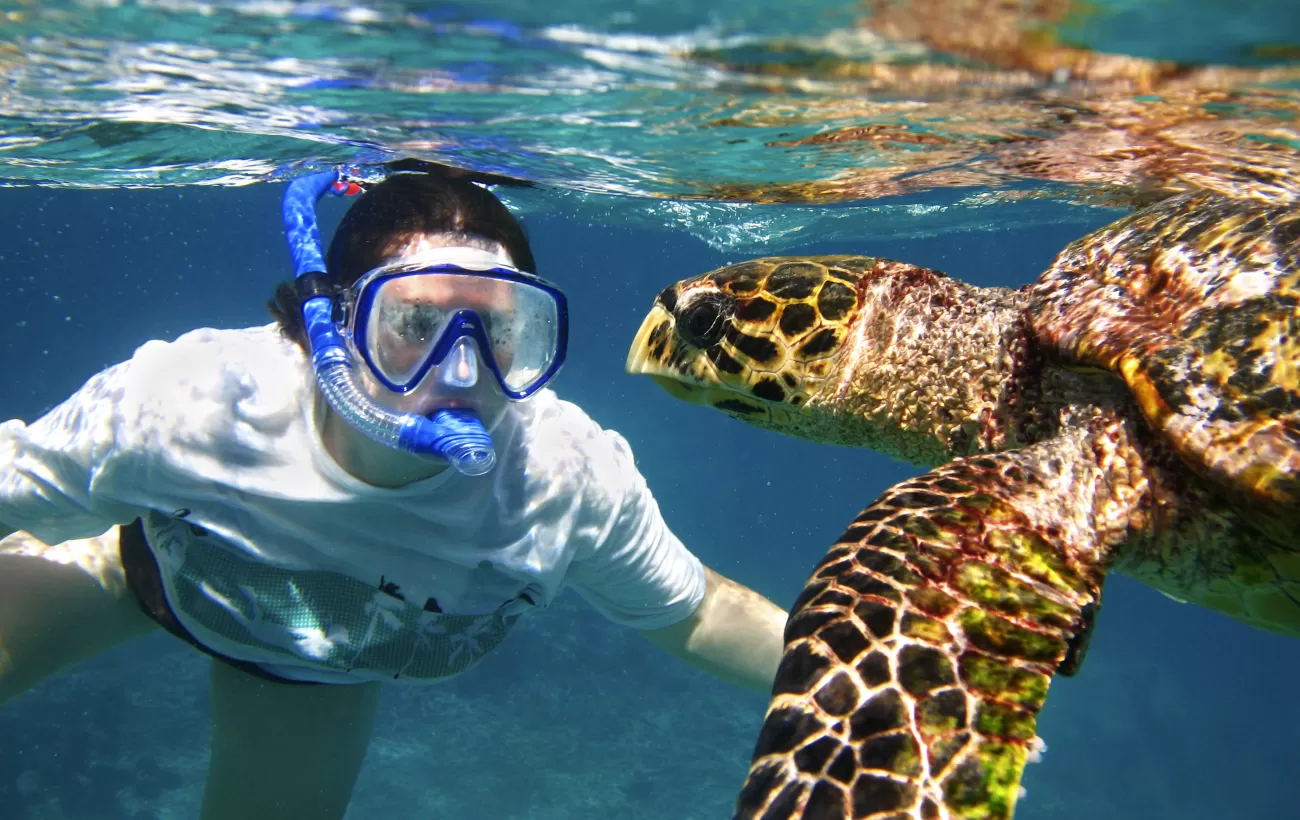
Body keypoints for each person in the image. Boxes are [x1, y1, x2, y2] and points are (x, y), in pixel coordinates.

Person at [0, 161, 787, 819]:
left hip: (312, 673)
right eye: (415, 323)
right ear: (331, 330)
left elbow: (699, 611)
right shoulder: (193, 403)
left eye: (503, 330)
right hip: (137, 576)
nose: (463, 370)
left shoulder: (563, 476)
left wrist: (892, 679)